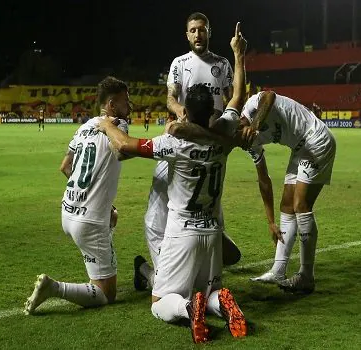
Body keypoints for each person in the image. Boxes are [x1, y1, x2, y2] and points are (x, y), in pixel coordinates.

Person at [97, 23, 249, 344]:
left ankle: (185, 308)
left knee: (160, 302)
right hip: (212, 230)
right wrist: (239, 54)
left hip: (183, 231)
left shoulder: (174, 143)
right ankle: (218, 301)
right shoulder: (225, 135)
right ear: (211, 110)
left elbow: (125, 145)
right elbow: (237, 95)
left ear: (185, 113)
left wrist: (105, 124)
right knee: (206, 290)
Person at [135, 12, 239, 293]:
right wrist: (180, 110)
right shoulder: (179, 64)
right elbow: (171, 96)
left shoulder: (222, 64)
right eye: (192, 30)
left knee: (201, 203)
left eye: (202, 30)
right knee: (176, 202)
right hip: (185, 141)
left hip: (205, 142)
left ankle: (172, 276)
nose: (197, 35)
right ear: (187, 35)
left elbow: (231, 97)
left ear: (209, 32)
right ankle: (179, 267)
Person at [24, 77, 130, 315]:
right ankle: (54, 288)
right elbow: (122, 150)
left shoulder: (84, 126)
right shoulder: (117, 124)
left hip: (68, 211)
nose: (129, 106)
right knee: (105, 293)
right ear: (112, 104)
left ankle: (103, 230)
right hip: (89, 222)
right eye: (126, 101)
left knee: (110, 218)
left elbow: (65, 166)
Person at [221, 91, 337, 294]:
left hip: (316, 139)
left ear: (239, 124)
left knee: (301, 205)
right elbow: (264, 181)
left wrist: (254, 127)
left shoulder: (251, 106)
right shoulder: (248, 144)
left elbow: (269, 96)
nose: (238, 144)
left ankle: (306, 276)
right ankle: (278, 270)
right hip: (299, 148)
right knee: (286, 206)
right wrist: (270, 221)